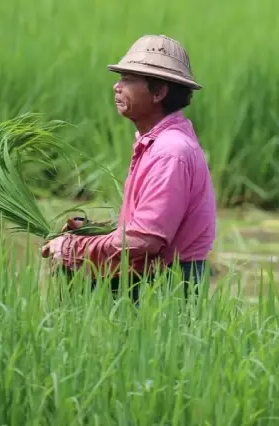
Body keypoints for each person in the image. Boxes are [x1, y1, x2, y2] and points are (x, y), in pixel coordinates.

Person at [41, 34, 217, 302]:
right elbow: (146, 228)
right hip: (154, 279)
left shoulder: (170, 152)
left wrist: (73, 248)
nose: (116, 87)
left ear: (158, 92)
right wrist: (93, 232)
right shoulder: (155, 143)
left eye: (127, 80)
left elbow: (146, 241)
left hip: (168, 286)